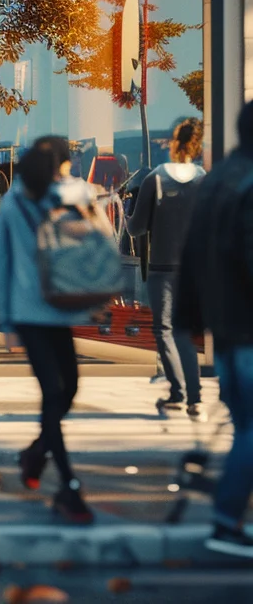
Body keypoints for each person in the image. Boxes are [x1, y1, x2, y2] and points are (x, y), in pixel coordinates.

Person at [0, 136, 99, 525]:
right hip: (37, 312)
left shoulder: (17, 200)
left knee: (66, 390)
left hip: (47, 311)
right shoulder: (70, 193)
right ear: (64, 165)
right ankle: (69, 486)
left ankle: (35, 452)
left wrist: (5, 322)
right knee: (55, 393)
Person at [175, 100, 253, 557]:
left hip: (225, 330)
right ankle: (225, 522)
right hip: (246, 327)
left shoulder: (218, 179)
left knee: (245, 427)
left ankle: (229, 520)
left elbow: (193, 255)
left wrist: (189, 320)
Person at [129, 119, 206, 421]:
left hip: (161, 268)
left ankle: (177, 392)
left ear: (174, 143)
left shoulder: (156, 178)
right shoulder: (203, 179)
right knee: (185, 332)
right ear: (197, 145)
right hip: (192, 271)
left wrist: (129, 212)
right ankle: (195, 400)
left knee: (164, 330)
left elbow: (136, 229)